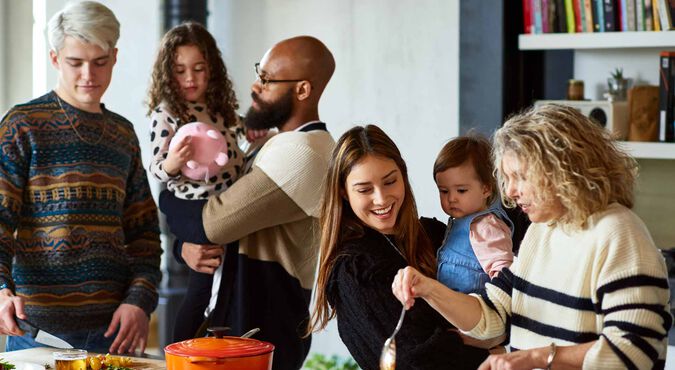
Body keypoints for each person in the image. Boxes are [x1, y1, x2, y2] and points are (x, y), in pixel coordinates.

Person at [392, 104, 672, 369]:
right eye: (507, 178)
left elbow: (636, 350)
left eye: (520, 176)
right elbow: (493, 314)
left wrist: (535, 358)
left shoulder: (618, 233)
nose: (511, 192)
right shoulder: (543, 231)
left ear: (563, 169)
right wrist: (427, 288)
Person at [159, 36, 336, 370]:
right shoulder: (273, 145)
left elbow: (210, 223)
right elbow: (209, 222)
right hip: (232, 326)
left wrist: (166, 192)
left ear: (302, 90)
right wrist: (183, 246)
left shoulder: (303, 153)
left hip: (261, 335)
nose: (255, 86)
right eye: (260, 72)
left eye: (268, 79)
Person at [0, 1, 162, 354]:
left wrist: (139, 300)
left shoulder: (123, 134)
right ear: (56, 58)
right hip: (36, 332)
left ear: (114, 57)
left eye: (100, 62)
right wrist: (0, 290)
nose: (89, 74)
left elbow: (145, 234)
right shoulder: (22, 126)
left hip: (114, 334)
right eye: (76, 62)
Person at [308, 125, 489, 369]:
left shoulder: (436, 234)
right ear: (343, 192)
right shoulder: (353, 270)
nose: (381, 199)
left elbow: (500, 312)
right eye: (364, 189)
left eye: (390, 181)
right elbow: (412, 361)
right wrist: (490, 349)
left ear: (403, 176)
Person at [145, 21, 265, 342]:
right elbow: (157, 169)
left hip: (226, 200)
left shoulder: (218, 108)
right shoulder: (167, 112)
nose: (189, 79)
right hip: (194, 204)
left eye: (198, 69)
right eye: (180, 70)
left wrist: (251, 129)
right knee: (202, 285)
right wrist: (173, 161)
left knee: (222, 283)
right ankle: (180, 352)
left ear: (211, 69)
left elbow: (238, 132)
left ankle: (217, 345)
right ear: (167, 73)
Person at [433, 135, 513, 295]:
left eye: (461, 190)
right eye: (444, 191)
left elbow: (504, 276)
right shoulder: (459, 225)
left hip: (478, 314)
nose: (451, 198)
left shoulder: (486, 226)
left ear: (486, 189)